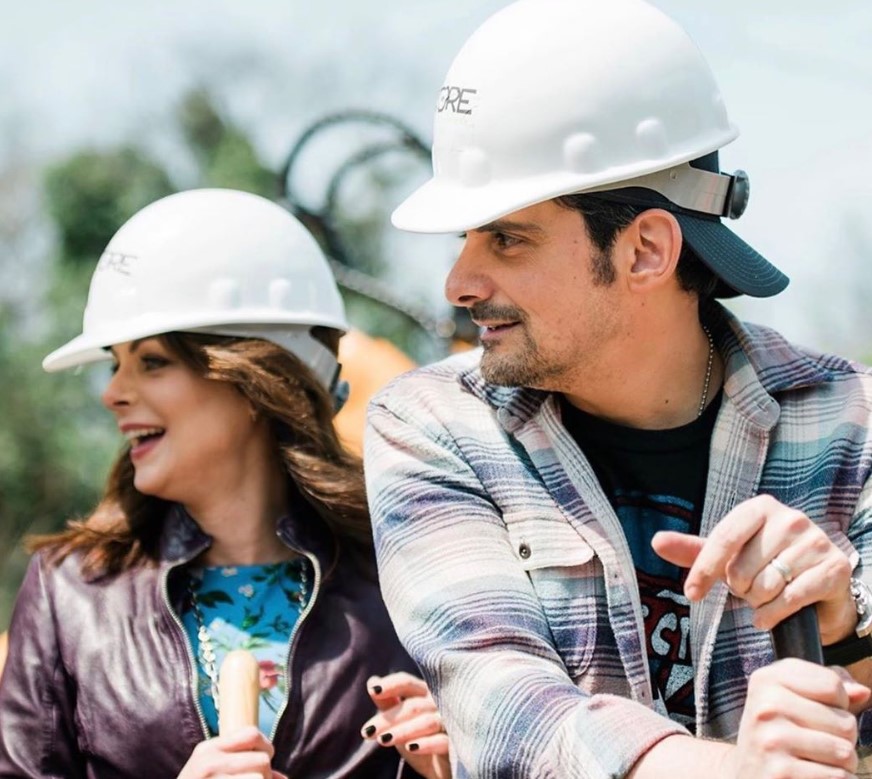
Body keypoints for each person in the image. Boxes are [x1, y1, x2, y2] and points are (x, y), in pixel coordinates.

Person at [364, 1, 872, 777]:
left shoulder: (855, 424)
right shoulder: (429, 427)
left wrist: (847, 626)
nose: (459, 282)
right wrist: (736, 770)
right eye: (463, 240)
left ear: (645, 250)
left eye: (506, 237)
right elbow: (505, 715)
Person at [0, 188, 449, 779]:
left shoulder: (410, 573)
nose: (112, 393)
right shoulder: (69, 594)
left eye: (152, 361)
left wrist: (462, 760)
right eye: (116, 362)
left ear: (254, 380)